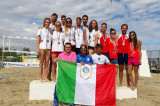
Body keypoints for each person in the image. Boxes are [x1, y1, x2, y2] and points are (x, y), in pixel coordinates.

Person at [37, 18, 52, 82]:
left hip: (48, 48)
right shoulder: (40, 30)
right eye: (46, 22)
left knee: (47, 63)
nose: (47, 23)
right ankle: (40, 77)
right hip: (42, 47)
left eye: (49, 22)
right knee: (41, 63)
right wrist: (37, 48)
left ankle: (46, 77)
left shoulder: (50, 30)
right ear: (44, 22)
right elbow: (38, 39)